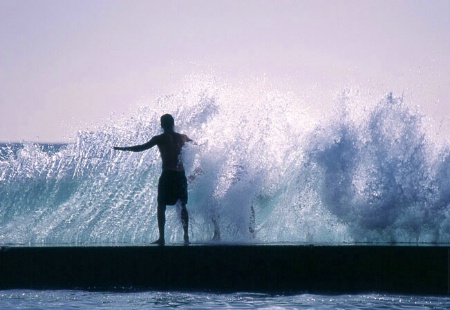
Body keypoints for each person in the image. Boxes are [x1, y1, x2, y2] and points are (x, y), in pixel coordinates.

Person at [113, 114, 192, 245]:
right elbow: (197, 147)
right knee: (183, 205)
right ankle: (186, 236)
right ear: (173, 124)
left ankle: (162, 238)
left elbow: (140, 148)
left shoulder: (159, 138)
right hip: (180, 175)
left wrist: (123, 149)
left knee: (161, 205)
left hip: (168, 174)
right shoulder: (183, 137)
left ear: (161, 125)